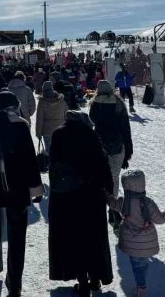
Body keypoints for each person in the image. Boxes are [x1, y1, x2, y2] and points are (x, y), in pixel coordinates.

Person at [0, 90, 42, 297]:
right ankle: (14, 284)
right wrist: (36, 188)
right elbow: (29, 160)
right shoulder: (20, 125)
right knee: (17, 237)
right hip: (16, 187)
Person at [48, 111, 114, 296]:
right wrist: (109, 191)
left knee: (73, 238)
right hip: (92, 196)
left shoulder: (58, 134)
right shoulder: (90, 135)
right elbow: (103, 164)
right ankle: (95, 279)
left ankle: (82, 281)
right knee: (93, 238)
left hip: (67, 197)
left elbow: (54, 166)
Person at [107, 169, 165, 297]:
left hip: (131, 243)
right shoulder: (148, 202)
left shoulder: (124, 202)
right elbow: (159, 219)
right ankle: (141, 286)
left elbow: (112, 203)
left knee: (137, 266)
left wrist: (105, 195)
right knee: (142, 264)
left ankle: (141, 288)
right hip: (147, 242)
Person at [89, 80, 133, 230]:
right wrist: (128, 152)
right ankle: (113, 210)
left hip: (100, 146)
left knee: (100, 177)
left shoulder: (94, 104)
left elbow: (92, 121)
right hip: (117, 146)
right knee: (113, 178)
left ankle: (99, 205)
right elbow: (126, 129)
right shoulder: (119, 104)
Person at [35, 81, 67, 153]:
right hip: (60, 129)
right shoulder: (61, 100)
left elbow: (39, 119)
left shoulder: (42, 102)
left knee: (49, 151)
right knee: (60, 150)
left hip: (47, 131)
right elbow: (66, 114)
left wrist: (38, 133)